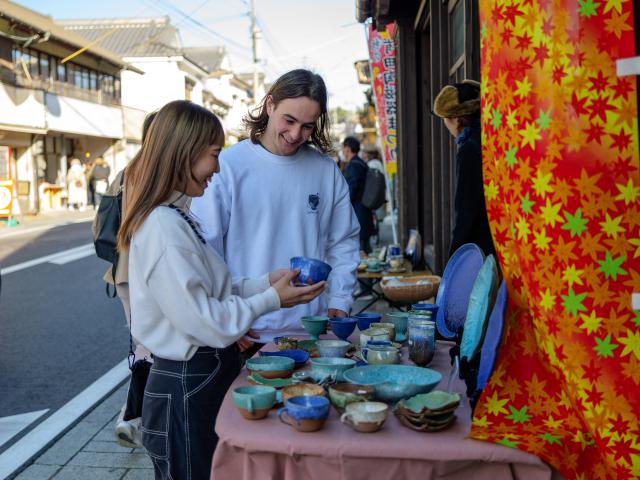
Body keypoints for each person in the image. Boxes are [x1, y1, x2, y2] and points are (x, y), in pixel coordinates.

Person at [119, 100, 324, 479]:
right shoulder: (164, 226)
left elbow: (217, 288)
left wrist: (266, 282)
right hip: (185, 384)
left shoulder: (176, 217)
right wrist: (273, 299)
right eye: (213, 154)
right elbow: (207, 321)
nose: (217, 167)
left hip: (195, 381)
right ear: (185, 152)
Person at [191, 69, 360, 354]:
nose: (296, 134)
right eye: (289, 120)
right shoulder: (229, 166)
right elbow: (206, 249)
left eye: (307, 126)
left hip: (313, 329)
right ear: (270, 105)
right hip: (247, 330)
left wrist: (340, 300)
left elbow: (343, 240)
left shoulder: (325, 170)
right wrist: (227, 318)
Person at [101, 111, 157, 449]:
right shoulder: (158, 172)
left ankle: (132, 416)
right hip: (145, 270)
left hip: (121, 270)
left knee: (143, 346)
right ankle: (130, 417)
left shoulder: (127, 170)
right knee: (149, 348)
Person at [433, 80, 495, 257]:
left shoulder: (469, 149)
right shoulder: (489, 140)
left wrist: (454, 259)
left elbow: (466, 211)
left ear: (456, 119)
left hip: (482, 246)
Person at [342, 136, 375, 254]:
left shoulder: (353, 166)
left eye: (343, 147)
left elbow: (351, 190)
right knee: (365, 249)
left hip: (358, 213)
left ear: (348, 148)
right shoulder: (361, 163)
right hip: (365, 211)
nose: (342, 150)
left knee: (361, 252)